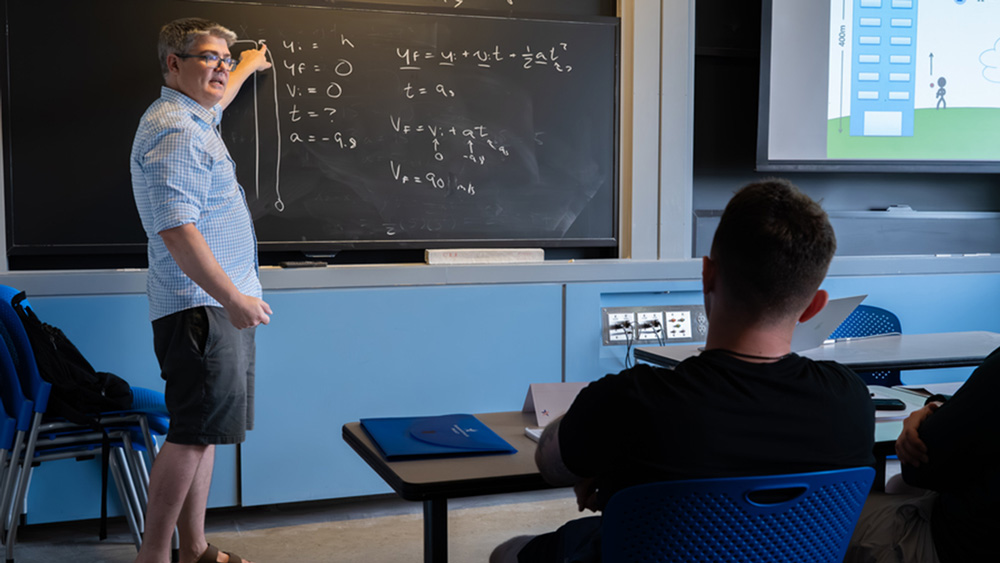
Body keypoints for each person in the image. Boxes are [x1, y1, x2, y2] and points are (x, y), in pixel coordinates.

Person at [491, 178, 876, 563]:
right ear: (814, 306)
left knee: (506, 552)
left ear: (707, 275)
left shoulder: (631, 400)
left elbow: (552, 466)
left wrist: (603, 451)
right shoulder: (851, 402)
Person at [130, 17, 272, 563]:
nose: (221, 69)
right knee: (190, 435)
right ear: (173, 64)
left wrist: (247, 65)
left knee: (203, 431)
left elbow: (219, 95)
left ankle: (194, 550)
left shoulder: (193, 115)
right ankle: (155, 556)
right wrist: (233, 299)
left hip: (210, 305)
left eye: (224, 60)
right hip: (203, 308)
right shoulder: (177, 131)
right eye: (210, 58)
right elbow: (178, 230)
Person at [846, 347, 999, 563]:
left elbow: (920, 468)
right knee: (899, 484)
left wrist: (932, 422)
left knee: (825, 518)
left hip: (958, 546)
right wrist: (937, 407)